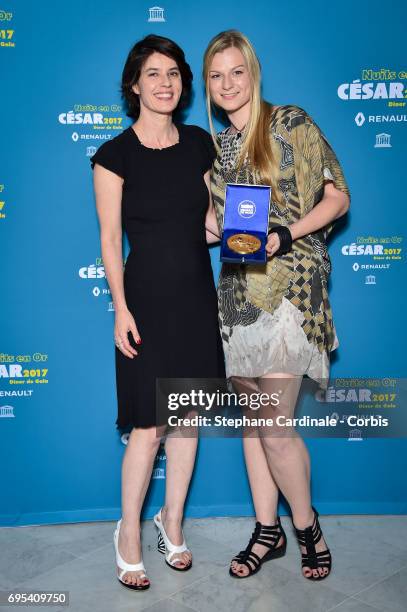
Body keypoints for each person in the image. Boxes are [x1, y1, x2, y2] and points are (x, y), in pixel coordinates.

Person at [203, 30, 350, 581]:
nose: (227, 84)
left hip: (290, 286)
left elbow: (337, 196)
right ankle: (268, 530)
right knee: (254, 424)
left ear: (253, 72)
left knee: (274, 424)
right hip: (238, 295)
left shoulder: (290, 122)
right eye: (216, 76)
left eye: (236, 71)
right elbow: (219, 227)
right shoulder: (217, 149)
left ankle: (306, 526)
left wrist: (285, 235)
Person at [91, 34, 224, 590]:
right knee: (148, 427)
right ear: (134, 84)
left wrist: (244, 230)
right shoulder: (113, 155)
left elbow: (212, 225)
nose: (165, 83)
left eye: (173, 73)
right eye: (153, 74)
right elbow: (110, 238)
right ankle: (128, 533)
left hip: (196, 297)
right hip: (144, 302)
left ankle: (172, 523)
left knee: (186, 418)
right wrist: (120, 308)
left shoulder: (200, 144)